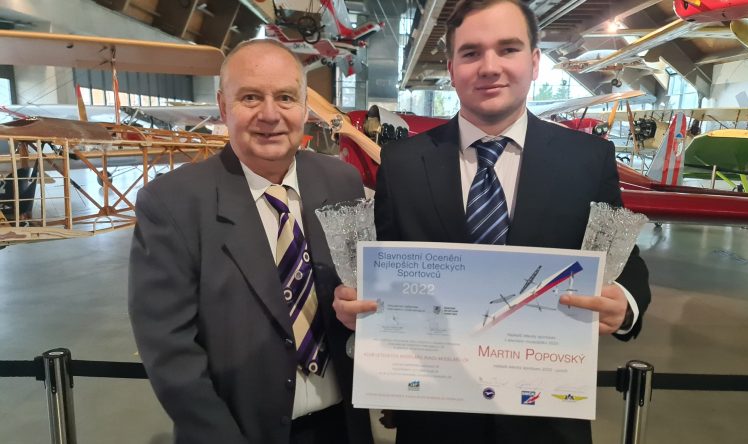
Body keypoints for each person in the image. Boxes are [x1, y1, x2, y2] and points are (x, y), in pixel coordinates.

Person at [333, 1, 651, 443]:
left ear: (534, 62)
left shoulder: (586, 159)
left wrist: (625, 304)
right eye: (471, 53)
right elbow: (383, 268)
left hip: (547, 419)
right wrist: (358, 304)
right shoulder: (403, 163)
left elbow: (625, 260)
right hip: (436, 418)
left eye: (508, 49)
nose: (489, 67)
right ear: (451, 68)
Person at [128, 39, 373, 444]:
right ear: (223, 107)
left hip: (342, 428)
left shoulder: (341, 181)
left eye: (285, 97)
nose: (270, 115)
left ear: (305, 107)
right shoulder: (172, 203)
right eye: (250, 97)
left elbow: (363, 291)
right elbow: (170, 353)